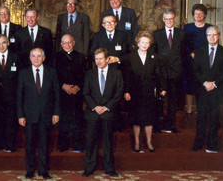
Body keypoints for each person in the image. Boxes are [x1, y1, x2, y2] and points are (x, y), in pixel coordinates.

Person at [17, 48, 60, 179]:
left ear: (44, 58)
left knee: (44, 144)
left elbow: (56, 94)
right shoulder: (23, 73)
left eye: (39, 56)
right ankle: (30, 170)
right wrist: (20, 115)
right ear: (30, 58)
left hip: (46, 114)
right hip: (29, 115)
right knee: (29, 144)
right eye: (33, 56)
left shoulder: (51, 72)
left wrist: (56, 113)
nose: (36, 58)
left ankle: (43, 170)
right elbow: (19, 96)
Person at [82, 48, 123, 178]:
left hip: (108, 113)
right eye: (96, 59)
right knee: (91, 142)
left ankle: (109, 169)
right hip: (93, 113)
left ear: (107, 59)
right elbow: (86, 93)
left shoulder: (116, 73)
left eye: (101, 58)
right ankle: (89, 168)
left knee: (108, 142)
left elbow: (118, 93)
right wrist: (95, 107)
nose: (98, 61)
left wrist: (106, 107)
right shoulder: (89, 74)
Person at [191, 26, 223, 153]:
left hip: (217, 89)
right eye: (209, 35)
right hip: (202, 89)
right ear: (206, 36)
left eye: (214, 34)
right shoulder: (200, 50)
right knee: (201, 116)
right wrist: (205, 83)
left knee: (214, 117)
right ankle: (198, 144)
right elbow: (195, 70)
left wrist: (214, 84)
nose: (212, 37)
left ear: (219, 36)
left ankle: (212, 145)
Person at [122, 31, 163, 153]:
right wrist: (126, 91)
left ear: (150, 44)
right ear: (138, 43)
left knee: (149, 118)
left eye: (147, 43)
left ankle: (149, 142)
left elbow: (158, 75)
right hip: (135, 93)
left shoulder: (154, 57)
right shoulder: (130, 57)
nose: (144, 45)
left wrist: (162, 88)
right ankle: (137, 142)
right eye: (142, 42)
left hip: (149, 93)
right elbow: (127, 76)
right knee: (137, 119)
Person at [152, 9, 186, 133]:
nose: (168, 21)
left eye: (171, 18)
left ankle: (170, 125)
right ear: (163, 19)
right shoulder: (156, 34)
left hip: (175, 72)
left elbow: (183, 53)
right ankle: (158, 124)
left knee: (173, 100)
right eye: (166, 19)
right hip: (161, 72)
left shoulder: (181, 34)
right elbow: (154, 54)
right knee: (159, 99)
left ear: (175, 18)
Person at [54, 34, 86, 152]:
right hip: (62, 93)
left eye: (69, 42)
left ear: (73, 43)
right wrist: (63, 86)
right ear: (61, 44)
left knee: (77, 119)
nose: (67, 45)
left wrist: (78, 86)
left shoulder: (81, 56)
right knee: (63, 119)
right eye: (64, 43)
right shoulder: (56, 57)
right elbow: (53, 75)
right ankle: (63, 144)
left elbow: (84, 74)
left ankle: (78, 144)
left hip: (76, 93)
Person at [182, 3, 212, 115]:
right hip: (189, 60)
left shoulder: (209, 27)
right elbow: (184, 44)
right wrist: (191, 53)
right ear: (193, 15)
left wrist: (201, 56)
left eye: (200, 13)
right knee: (189, 84)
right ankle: (189, 108)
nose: (198, 15)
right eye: (196, 13)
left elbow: (211, 44)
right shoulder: (187, 27)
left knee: (202, 84)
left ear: (204, 15)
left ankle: (201, 108)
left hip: (204, 60)